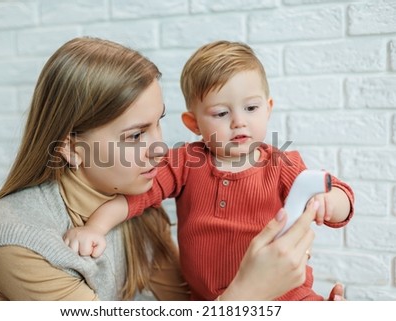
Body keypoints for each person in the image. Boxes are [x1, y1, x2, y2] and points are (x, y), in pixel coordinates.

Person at [0, 37, 341, 301]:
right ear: (70, 147)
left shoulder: (139, 202)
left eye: (158, 123)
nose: (159, 149)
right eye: (136, 135)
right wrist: (247, 296)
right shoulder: (20, 245)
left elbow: (181, 302)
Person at [63, 40, 354, 301]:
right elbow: (136, 199)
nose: (239, 122)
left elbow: (339, 193)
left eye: (251, 108)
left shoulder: (282, 165)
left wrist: (331, 203)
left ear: (268, 108)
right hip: (205, 300)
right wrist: (96, 227)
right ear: (193, 123)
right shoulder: (185, 162)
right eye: (221, 113)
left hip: (285, 296)